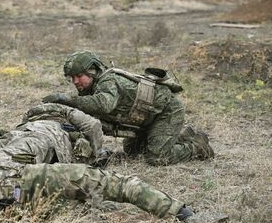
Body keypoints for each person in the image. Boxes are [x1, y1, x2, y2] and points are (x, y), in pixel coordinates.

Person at [0, 103, 195, 221]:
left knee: (81, 197)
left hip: (24, 166)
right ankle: (177, 211)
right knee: (100, 183)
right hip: (25, 167)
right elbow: (97, 178)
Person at [42, 51, 215, 166]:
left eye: (79, 76)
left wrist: (65, 99)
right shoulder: (90, 90)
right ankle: (180, 137)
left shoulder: (108, 82)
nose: (76, 82)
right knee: (132, 151)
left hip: (166, 112)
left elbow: (104, 104)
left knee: (157, 158)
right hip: (143, 119)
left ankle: (196, 146)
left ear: (93, 71)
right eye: (72, 78)